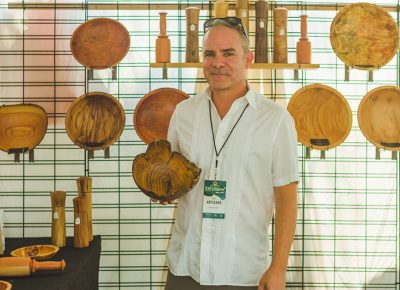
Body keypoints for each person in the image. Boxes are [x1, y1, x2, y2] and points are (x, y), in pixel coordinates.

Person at [161, 17, 298, 290]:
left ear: (248, 59)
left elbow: (287, 198)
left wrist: (279, 267)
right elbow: (173, 178)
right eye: (210, 53)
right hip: (186, 269)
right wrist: (164, 189)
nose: (217, 62)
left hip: (244, 273)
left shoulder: (276, 120)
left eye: (228, 53)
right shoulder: (183, 113)